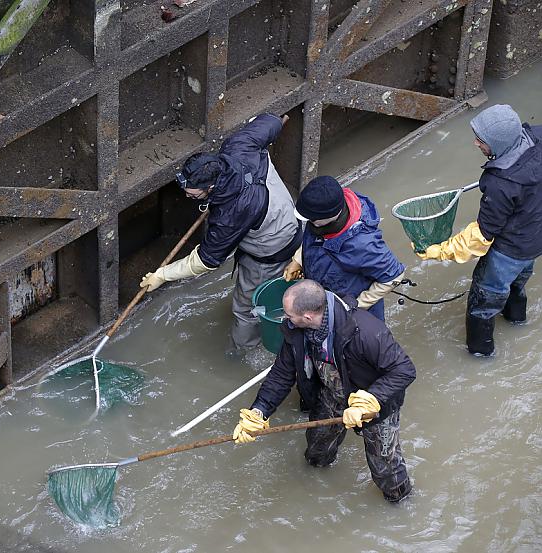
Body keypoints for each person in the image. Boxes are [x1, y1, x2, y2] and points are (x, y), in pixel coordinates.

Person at [232, 279, 415, 502]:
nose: (285, 319)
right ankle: (315, 477)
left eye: (289, 315)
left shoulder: (366, 331)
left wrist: (370, 400)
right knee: (317, 448)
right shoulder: (295, 331)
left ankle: (400, 500)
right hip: (332, 393)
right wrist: (259, 411)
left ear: (307, 316)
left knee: (385, 465)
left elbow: (404, 369)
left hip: (375, 404)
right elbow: (281, 374)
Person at [140, 113, 302, 354]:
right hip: (288, 219)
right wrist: (277, 122)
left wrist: (163, 275)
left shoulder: (231, 214)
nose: (187, 197)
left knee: (247, 309)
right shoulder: (239, 146)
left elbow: (206, 260)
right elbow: (269, 121)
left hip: (271, 251)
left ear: (212, 187)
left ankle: (240, 352)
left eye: (193, 195)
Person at [415, 104, 542, 356]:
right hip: (534, 240)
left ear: (498, 144)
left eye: (482, 141)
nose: (476, 144)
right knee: (517, 283)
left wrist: (440, 251)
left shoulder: (500, 184)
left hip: (509, 251)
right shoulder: (536, 137)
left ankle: (481, 354)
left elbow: (483, 235)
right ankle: (517, 321)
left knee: (482, 303)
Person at [282, 176, 405, 321]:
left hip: (351, 314)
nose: (309, 221)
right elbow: (314, 239)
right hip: (325, 296)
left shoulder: (363, 244)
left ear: (329, 217)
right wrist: (298, 260)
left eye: (311, 219)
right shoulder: (319, 219)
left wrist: (355, 306)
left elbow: (394, 276)